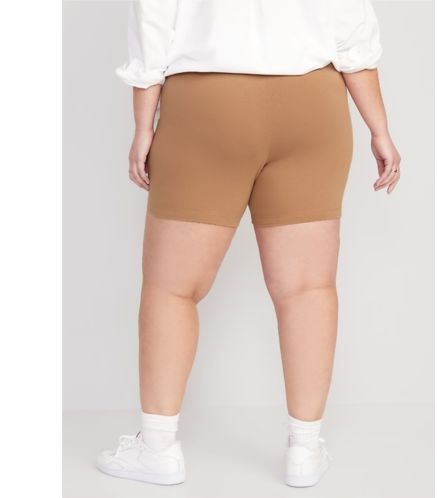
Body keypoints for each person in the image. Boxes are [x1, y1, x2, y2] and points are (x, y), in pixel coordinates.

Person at [98, 0, 401, 489]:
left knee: (172, 288)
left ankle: (156, 449)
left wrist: (143, 126)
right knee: (307, 288)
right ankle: (305, 449)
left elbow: (154, 19)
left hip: (206, 106)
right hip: (314, 103)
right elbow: (351, 28)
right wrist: (379, 128)